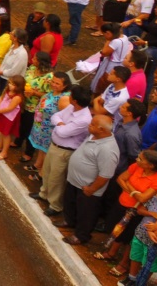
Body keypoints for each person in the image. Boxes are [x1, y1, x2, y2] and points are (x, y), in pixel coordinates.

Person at [57, 114, 119, 245]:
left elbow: (106, 174)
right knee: (70, 203)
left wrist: (91, 189)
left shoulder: (108, 149)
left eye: (92, 124)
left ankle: (81, 235)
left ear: (101, 129)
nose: (89, 125)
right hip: (74, 181)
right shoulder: (93, 135)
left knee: (86, 213)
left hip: (88, 188)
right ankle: (69, 221)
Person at [38, 85, 94, 218]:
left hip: (64, 151)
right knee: (47, 171)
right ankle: (43, 194)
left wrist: (59, 125)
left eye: (71, 95)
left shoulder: (84, 119)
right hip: (54, 146)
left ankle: (55, 205)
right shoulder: (71, 107)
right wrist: (61, 124)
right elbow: (55, 116)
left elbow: (63, 132)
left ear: (75, 100)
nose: (68, 97)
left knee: (56, 179)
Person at [0, 75, 25, 161]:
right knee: (1, 130)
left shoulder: (17, 97)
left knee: (6, 134)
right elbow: (1, 98)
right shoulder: (7, 90)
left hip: (9, 117)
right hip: (2, 113)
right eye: (10, 83)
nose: (10, 85)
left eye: (13, 84)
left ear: (18, 86)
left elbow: (10, 108)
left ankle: (4, 152)